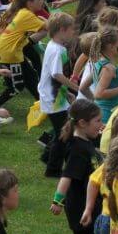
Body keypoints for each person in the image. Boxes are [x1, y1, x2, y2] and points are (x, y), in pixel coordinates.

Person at [49, 98, 104, 234]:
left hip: (85, 203)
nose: (101, 124)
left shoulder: (84, 141)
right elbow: (67, 177)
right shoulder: (78, 149)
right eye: (97, 121)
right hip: (83, 205)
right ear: (82, 123)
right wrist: (57, 200)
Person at [38, 13, 79, 150]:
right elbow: (56, 74)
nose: (73, 33)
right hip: (53, 99)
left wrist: (66, 92)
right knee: (63, 135)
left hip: (56, 97)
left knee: (62, 133)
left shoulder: (53, 46)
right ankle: (53, 166)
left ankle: (50, 161)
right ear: (62, 30)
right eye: (71, 29)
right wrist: (76, 87)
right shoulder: (57, 50)